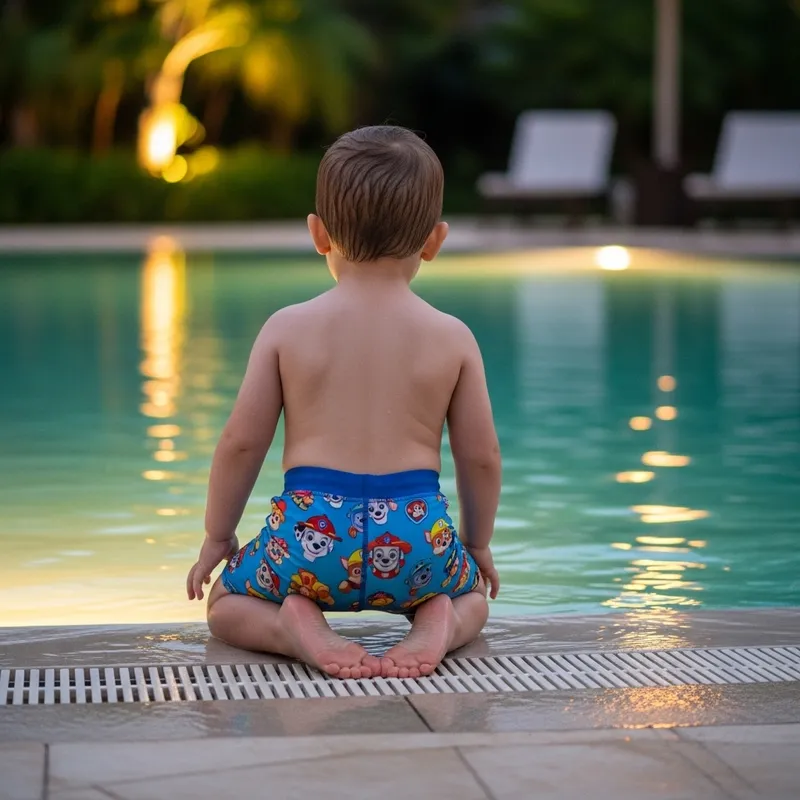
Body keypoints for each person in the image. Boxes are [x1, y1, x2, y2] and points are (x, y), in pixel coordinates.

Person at [186, 125, 502, 680]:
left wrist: (218, 535)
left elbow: (241, 444)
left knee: (226, 608)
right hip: (416, 537)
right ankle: (439, 621)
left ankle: (293, 624)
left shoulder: (287, 329)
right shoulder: (453, 337)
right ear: (435, 240)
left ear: (318, 234)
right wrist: (476, 545)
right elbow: (481, 457)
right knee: (471, 596)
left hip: (310, 536)